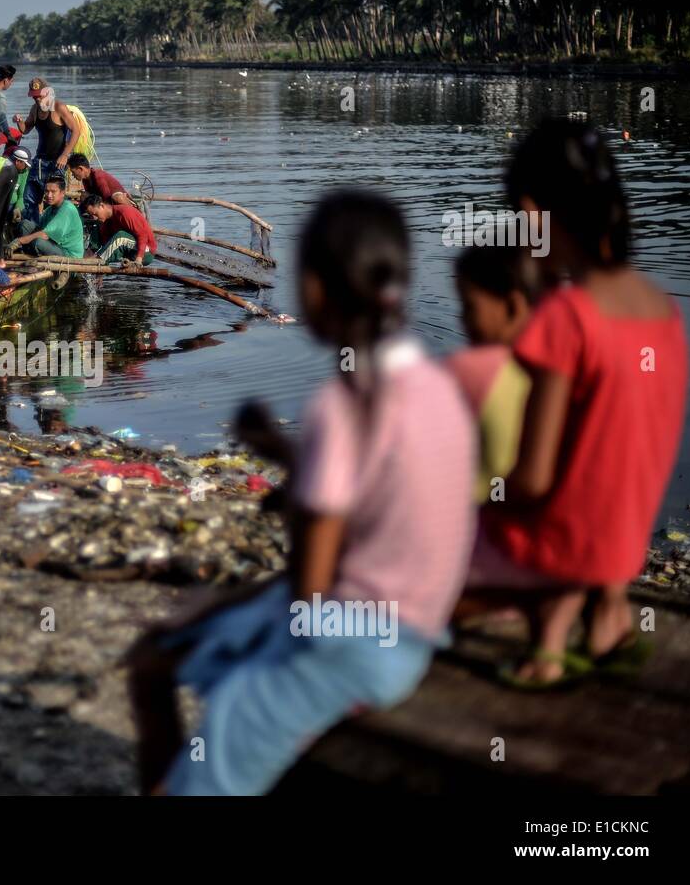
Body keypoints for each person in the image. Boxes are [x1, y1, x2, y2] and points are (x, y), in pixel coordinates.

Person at [126, 190, 476, 796]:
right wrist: (285, 454)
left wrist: (219, 604)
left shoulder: (343, 408)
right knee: (170, 654)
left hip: (350, 644)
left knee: (165, 673)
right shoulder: (437, 386)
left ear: (317, 287)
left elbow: (309, 596)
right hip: (416, 625)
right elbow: (377, 486)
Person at [459, 119, 689, 687]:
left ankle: (546, 635)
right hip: (624, 547)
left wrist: (468, 500)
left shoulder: (566, 316)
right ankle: (606, 611)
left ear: (534, 214)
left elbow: (534, 482)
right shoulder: (664, 312)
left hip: (562, 549)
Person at [445, 244, 539, 503]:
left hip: (484, 528)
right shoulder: (557, 369)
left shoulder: (472, 369)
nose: (462, 320)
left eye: (469, 307)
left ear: (512, 306)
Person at [14, 77, 82, 225]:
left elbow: (76, 130)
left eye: (39, 95)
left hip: (56, 163)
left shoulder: (58, 107)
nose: (37, 98)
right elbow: (26, 129)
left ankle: (56, 233)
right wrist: (19, 121)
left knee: (55, 201)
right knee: (29, 198)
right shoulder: (35, 109)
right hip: (39, 161)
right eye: (34, 96)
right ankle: (33, 231)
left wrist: (65, 155)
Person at [11, 176, 83, 258]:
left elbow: (45, 234)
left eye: (53, 192)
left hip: (67, 254)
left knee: (38, 242)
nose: (49, 195)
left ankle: (31, 257)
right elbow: (40, 229)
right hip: (54, 245)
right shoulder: (50, 209)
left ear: (62, 193)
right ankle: (27, 253)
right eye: (47, 191)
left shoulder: (67, 209)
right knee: (24, 224)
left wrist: (19, 241)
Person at [81, 194, 156, 265]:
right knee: (97, 230)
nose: (95, 218)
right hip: (128, 249)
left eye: (95, 214)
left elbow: (142, 235)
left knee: (120, 236)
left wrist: (139, 259)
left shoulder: (125, 213)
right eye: (91, 215)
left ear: (102, 206)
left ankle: (97, 260)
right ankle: (96, 266)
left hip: (146, 252)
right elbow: (105, 243)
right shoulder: (106, 222)